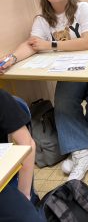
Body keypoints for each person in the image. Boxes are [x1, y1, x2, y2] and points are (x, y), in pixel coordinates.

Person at [0, 0, 88, 181]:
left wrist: (50, 44)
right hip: (72, 68)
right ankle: (83, 152)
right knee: (63, 102)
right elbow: (32, 44)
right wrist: (11, 59)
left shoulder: (83, 9)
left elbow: (87, 42)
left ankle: (80, 149)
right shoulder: (43, 19)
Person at [0, 90, 45, 221]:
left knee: (27, 217)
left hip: (3, 182)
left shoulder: (2, 99)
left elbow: (27, 143)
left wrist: (25, 194)